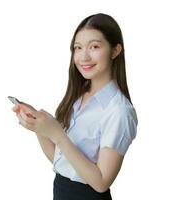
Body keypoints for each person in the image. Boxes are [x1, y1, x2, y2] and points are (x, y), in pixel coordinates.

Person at [11, 13, 138, 200]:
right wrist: (39, 127)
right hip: (61, 191)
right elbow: (60, 161)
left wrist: (57, 134)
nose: (83, 56)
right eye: (78, 48)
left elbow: (101, 182)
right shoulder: (78, 96)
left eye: (94, 46)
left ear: (115, 50)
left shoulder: (119, 110)